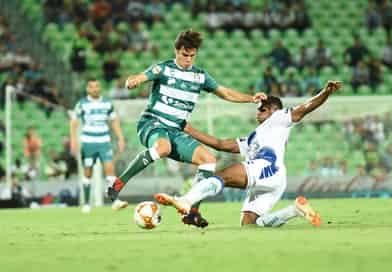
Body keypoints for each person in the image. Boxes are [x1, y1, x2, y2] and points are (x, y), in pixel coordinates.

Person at [107, 29, 266, 228]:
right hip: (153, 123)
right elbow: (140, 76)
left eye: (192, 55)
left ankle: (192, 211)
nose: (188, 59)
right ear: (176, 51)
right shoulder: (163, 69)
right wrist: (134, 81)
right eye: (184, 55)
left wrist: (251, 98)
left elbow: (225, 92)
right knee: (163, 148)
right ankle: (118, 184)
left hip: (176, 130)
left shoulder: (200, 76)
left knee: (208, 161)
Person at [155, 81, 342, 227]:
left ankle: (186, 201)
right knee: (249, 224)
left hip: (267, 167)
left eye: (262, 108)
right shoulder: (253, 137)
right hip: (275, 180)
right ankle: (293, 210)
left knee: (223, 175)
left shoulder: (279, 118)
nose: (258, 111)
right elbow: (221, 145)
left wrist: (325, 92)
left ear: (274, 110)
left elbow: (306, 107)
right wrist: (187, 128)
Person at [70, 78, 126, 213]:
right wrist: (74, 140)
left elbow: (114, 121)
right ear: (87, 89)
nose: (95, 89)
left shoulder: (107, 103)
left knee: (110, 169)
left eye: (97, 86)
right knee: (87, 172)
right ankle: (87, 203)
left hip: (104, 141)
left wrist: (120, 138)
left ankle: (115, 201)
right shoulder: (82, 104)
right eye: (92, 87)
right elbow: (74, 122)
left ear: (99, 88)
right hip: (88, 142)